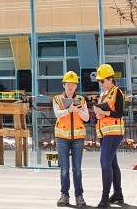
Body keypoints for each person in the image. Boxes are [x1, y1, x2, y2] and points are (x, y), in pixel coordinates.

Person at [53, 71, 89, 207]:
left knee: (77, 169)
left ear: (76, 86)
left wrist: (77, 110)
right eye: (68, 84)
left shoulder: (82, 100)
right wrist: (69, 110)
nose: (70, 87)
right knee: (64, 169)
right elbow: (58, 114)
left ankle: (79, 196)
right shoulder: (57, 99)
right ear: (64, 85)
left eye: (73, 85)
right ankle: (64, 195)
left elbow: (87, 118)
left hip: (78, 138)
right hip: (62, 138)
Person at [92, 64, 125, 208]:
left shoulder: (117, 92)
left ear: (111, 79)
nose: (100, 83)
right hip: (104, 133)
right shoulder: (103, 95)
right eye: (99, 81)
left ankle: (105, 197)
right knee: (112, 164)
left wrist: (104, 113)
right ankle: (118, 193)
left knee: (105, 163)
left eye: (102, 81)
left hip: (113, 133)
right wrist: (99, 114)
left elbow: (119, 112)